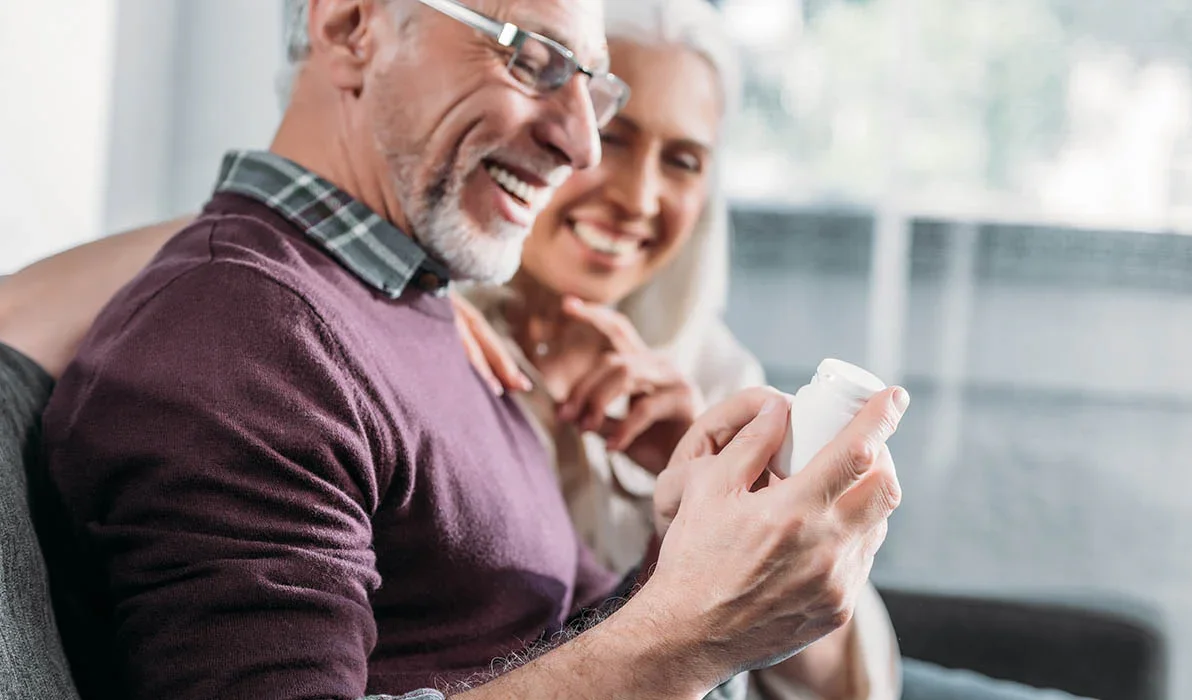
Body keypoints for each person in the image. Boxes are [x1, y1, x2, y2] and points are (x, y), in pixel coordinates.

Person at [16, 1, 907, 699]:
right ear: (351, 25)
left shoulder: (412, 306)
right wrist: (690, 629)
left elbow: (560, 627)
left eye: (589, 85)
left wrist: (692, 547)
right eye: (532, 58)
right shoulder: (239, 342)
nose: (581, 144)